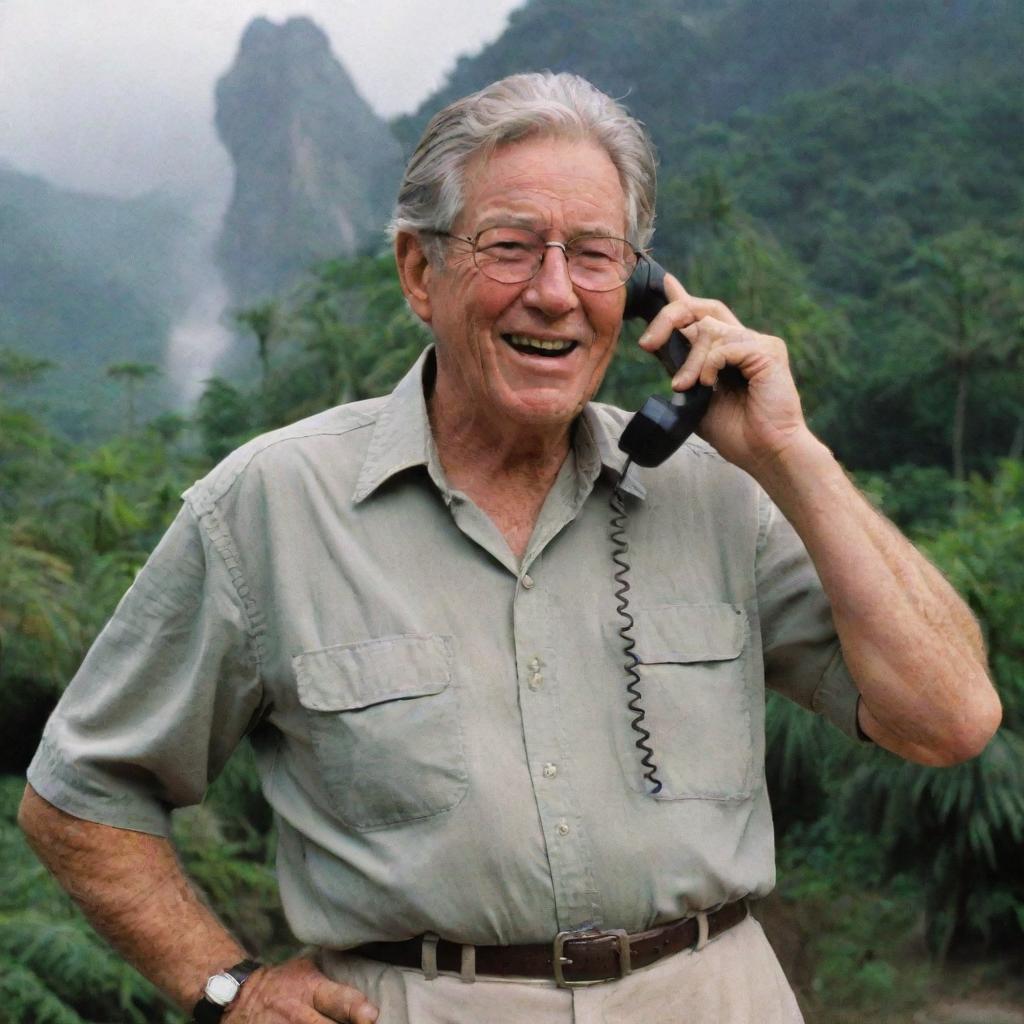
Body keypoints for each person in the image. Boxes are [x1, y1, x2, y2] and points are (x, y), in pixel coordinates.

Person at [20, 72, 999, 1024]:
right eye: (511, 246)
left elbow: (947, 719)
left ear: (643, 289)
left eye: (595, 255)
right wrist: (227, 984)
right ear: (419, 272)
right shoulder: (269, 505)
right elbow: (83, 791)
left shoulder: (718, 493)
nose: (554, 293)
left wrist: (790, 455)